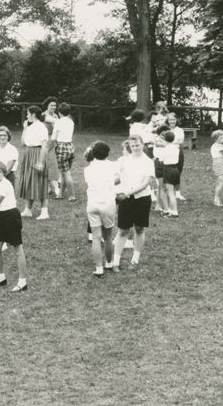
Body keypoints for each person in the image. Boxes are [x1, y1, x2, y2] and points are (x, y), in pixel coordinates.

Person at [112, 135, 156, 267]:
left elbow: (146, 182)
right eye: (133, 146)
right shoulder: (124, 160)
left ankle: (135, 257)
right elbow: (117, 177)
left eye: (138, 145)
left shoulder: (148, 161)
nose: (135, 148)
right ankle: (116, 260)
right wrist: (107, 183)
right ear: (129, 147)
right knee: (123, 230)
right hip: (125, 198)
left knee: (139, 228)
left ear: (142, 145)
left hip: (142, 198)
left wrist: (128, 193)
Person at [0, 163, 28, 292]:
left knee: (17, 248)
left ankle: (22, 282)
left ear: (4, 172)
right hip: (3, 217)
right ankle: (1, 277)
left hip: (11, 216)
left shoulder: (5, 184)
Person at [83, 141, 120, 277]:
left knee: (96, 238)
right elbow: (117, 180)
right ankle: (109, 263)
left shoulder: (88, 169)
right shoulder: (112, 166)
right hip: (108, 203)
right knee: (108, 237)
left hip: (92, 203)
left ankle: (99, 268)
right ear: (107, 153)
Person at [16, 106, 50, 220]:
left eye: (28, 114)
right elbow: (22, 143)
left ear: (33, 114)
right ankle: (28, 210)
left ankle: (44, 211)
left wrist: (41, 162)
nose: (27, 116)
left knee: (41, 182)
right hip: (28, 154)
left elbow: (45, 146)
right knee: (28, 180)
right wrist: (24, 129)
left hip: (37, 154)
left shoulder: (41, 127)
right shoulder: (29, 127)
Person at [53, 102, 76, 201]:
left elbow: (54, 137)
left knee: (65, 173)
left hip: (61, 147)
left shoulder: (58, 122)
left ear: (59, 112)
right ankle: (60, 194)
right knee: (64, 172)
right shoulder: (71, 121)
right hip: (70, 146)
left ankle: (72, 195)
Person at [155, 131, 181, 218]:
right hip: (175, 169)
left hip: (168, 169)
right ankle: (171, 210)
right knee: (172, 190)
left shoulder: (165, 149)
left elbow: (161, 160)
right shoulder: (176, 148)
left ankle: (174, 211)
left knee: (170, 192)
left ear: (165, 139)